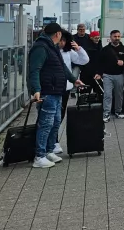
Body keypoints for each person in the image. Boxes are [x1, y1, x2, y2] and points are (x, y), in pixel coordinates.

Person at [28, 22, 84, 168]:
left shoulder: (52, 47)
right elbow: (35, 70)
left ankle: (48, 150)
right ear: (58, 34)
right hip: (47, 91)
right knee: (46, 124)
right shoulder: (41, 47)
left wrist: (73, 80)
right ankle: (39, 156)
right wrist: (36, 89)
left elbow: (62, 67)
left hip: (57, 91)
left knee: (55, 122)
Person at [57, 31, 90, 153]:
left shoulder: (68, 52)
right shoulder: (50, 51)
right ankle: (52, 141)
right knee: (52, 117)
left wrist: (79, 49)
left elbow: (84, 60)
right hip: (52, 88)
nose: (61, 43)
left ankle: (54, 141)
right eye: (60, 40)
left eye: (64, 41)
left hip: (65, 87)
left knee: (60, 115)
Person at [98, 30, 124, 123]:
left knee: (119, 94)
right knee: (107, 95)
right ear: (110, 37)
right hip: (107, 75)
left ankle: (118, 111)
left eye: (118, 36)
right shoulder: (105, 49)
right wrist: (99, 73)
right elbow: (100, 63)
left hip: (119, 75)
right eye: (115, 36)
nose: (117, 38)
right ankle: (106, 113)